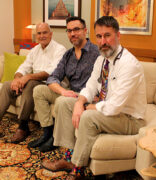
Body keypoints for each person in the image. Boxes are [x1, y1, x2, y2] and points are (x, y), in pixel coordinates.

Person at [41, 16, 147, 179]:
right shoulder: (101, 59)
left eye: (107, 35)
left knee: (88, 117)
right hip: (108, 111)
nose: (103, 41)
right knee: (63, 102)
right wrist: (80, 102)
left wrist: (85, 107)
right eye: (99, 36)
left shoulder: (129, 65)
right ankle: (68, 156)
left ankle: (77, 169)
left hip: (129, 118)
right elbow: (90, 86)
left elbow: (114, 107)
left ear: (118, 36)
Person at [28, 17, 99, 152]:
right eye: (69, 30)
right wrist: (63, 91)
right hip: (70, 93)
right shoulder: (68, 55)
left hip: (86, 97)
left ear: (85, 31)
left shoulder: (96, 53)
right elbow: (53, 77)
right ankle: (47, 133)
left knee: (62, 101)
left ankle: (56, 139)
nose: (72, 34)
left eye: (76, 29)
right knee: (39, 90)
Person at [0, 22, 66, 143]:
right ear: (36, 36)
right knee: (6, 85)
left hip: (49, 84)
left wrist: (28, 77)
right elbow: (24, 67)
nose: (42, 36)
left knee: (30, 84)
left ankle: (23, 126)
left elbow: (51, 72)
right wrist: (17, 78)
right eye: (39, 33)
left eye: (45, 32)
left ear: (51, 34)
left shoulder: (60, 49)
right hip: (32, 81)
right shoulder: (35, 50)